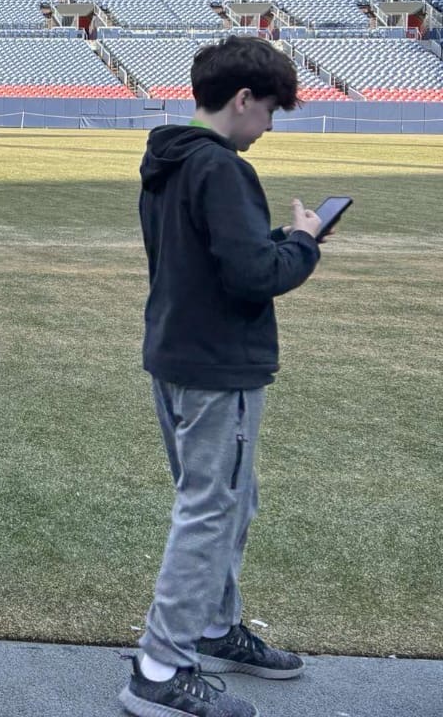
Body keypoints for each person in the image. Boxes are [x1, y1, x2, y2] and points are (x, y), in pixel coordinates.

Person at [120, 37, 324, 717]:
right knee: (210, 511)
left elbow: (211, 258)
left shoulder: (171, 160)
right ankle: (159, 668)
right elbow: (253, 276)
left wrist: (271, 244)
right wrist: (301, 242)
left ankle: (213, 627)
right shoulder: (222, 169)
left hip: (178, 352)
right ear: (242, 99)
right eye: (268, 111)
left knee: (232, 500)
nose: (267, 127)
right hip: (216, 366)